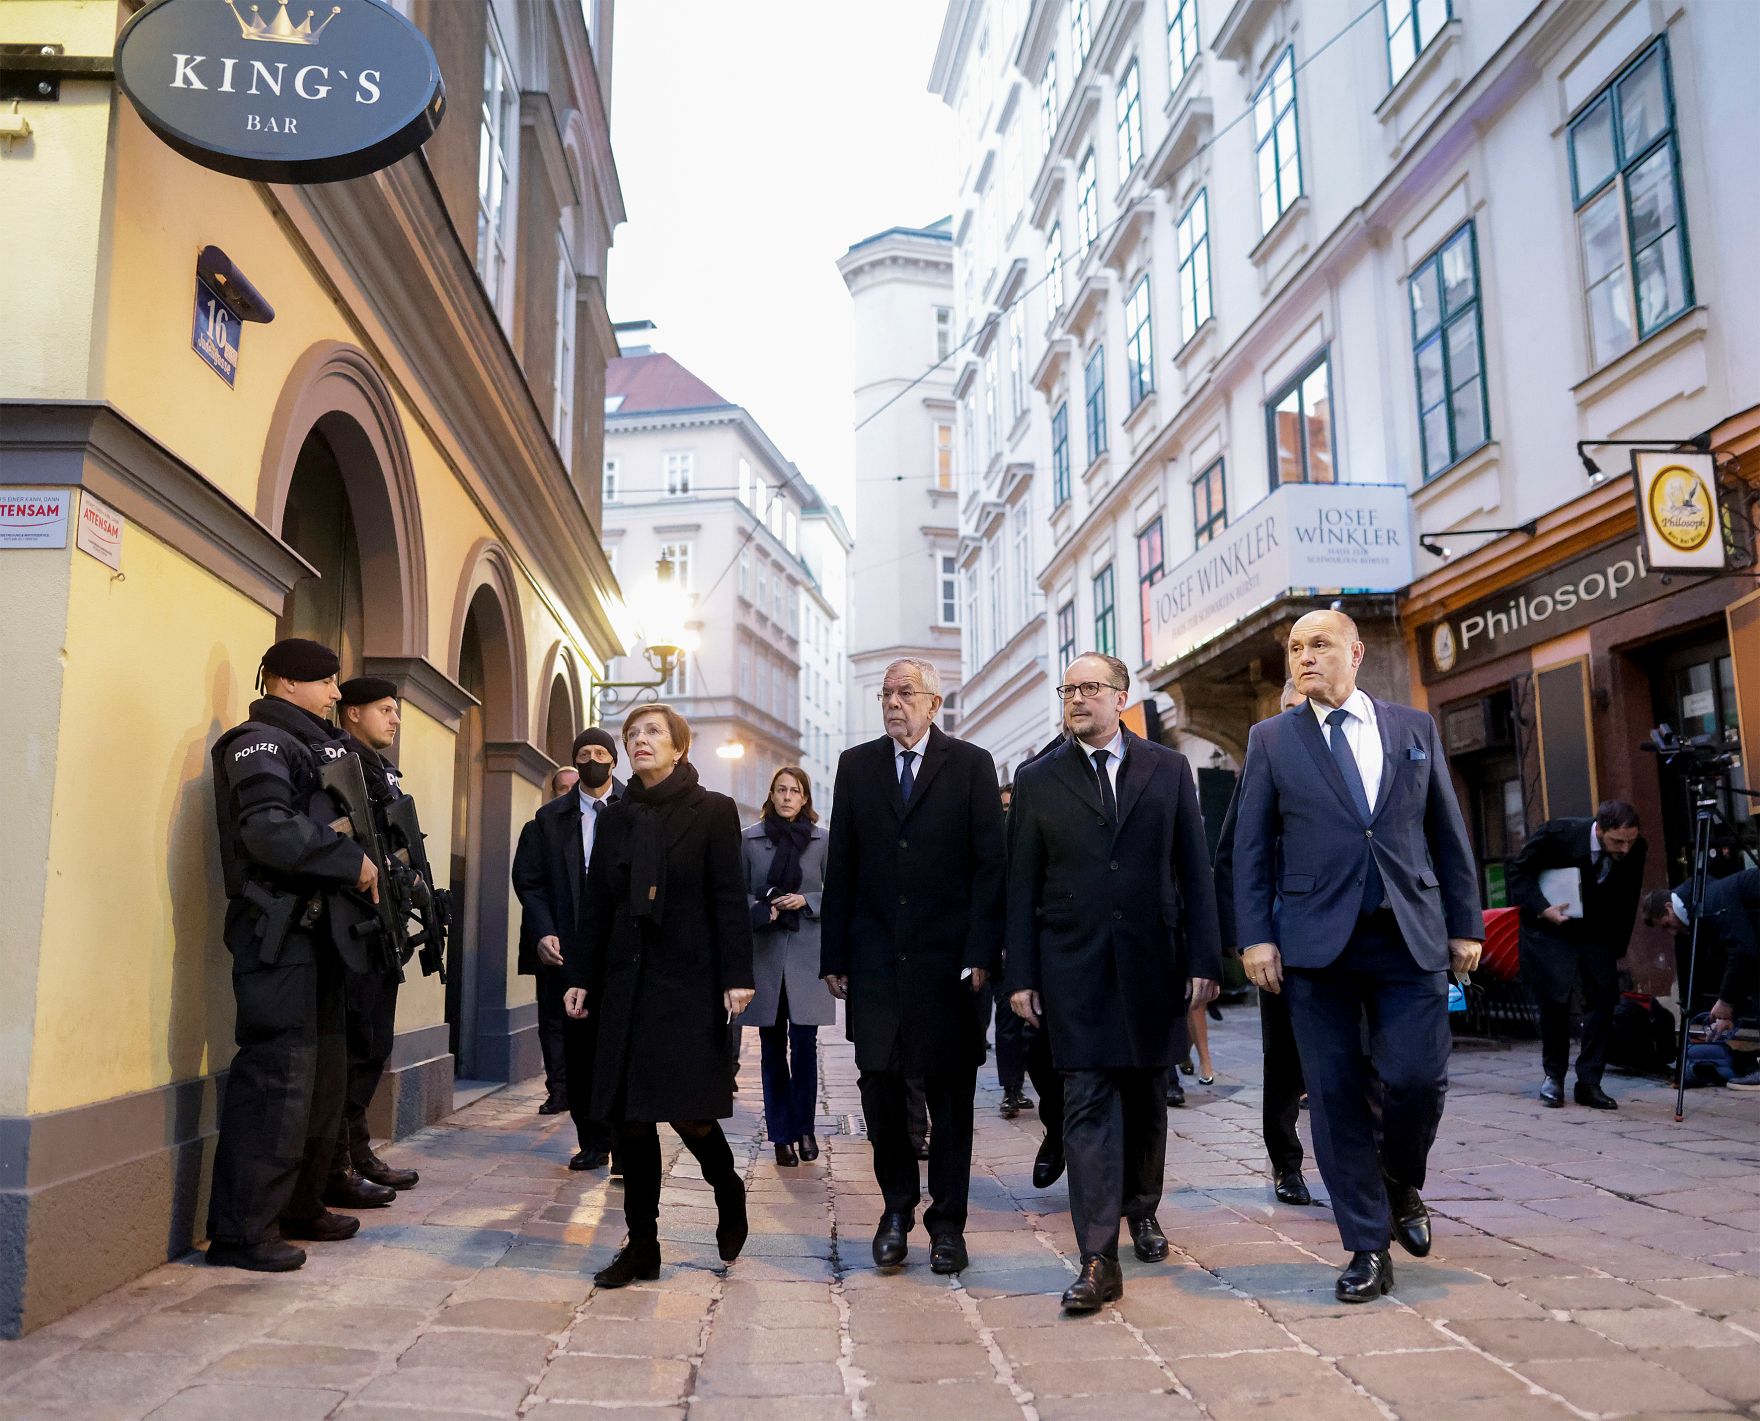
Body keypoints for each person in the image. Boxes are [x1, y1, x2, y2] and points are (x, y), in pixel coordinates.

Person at [1234, 610, 1482, 1304]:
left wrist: (1466, 922)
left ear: (1356, 652)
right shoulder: (1272, 739)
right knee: (1335, 1094)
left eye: (1319, 644)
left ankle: (1400, 1179)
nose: (1305, 656)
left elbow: (1446, 829)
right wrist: (1255, 937)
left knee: (1418, 1078)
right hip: (1316, 944)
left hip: (1409, 933)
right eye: (1295, 647)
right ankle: (1368, 1245)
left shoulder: (1412, 728)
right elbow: (1250, 848)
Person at [1007, 653, 1222, 1312]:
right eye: (1068, 689)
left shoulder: (1168, 768)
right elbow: (1021, 884)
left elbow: (1194, 867)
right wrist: (1022, 974)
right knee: (1087, 1104)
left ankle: (1143, 1207)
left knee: (1147, 1097)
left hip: (1154, 960)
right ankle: (1097, 1256)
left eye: (1090, 688)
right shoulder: (1038, 778)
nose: (1076, 698)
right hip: (1074, 966)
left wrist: (1205, 960)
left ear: (1120, 697)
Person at [822, 658, 1006, 1276]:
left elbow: (990, 866)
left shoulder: (971, 764)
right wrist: (835, 955)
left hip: (949, 965)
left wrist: (981, 951)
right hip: (876, 960)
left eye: (905, 693)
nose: (893, 703)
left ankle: (947, 1225)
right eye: (886, 694)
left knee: (951, 1097)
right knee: (879, 1087)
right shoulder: (857, 765)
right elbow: (842, 865)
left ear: (933, 703)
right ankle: (896, 1209)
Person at [205, 638, 381, 1271]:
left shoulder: (314, 747)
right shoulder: (257, 742)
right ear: (285, 682)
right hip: (277, 933)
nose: (336, 693)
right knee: (276, 1078)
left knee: (323, 1077)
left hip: (320, 933)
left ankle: (302, 1206)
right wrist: (349, 860)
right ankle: (242, 1232)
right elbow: (267, 828)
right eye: (326, 681)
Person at [565, 705, 755, 1287]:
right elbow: (598, 903)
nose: (639, 740)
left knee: (689, 1113)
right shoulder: (617, 819)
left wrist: (737, 976)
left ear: (679, 747)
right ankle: (642, 1247)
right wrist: (581, 975)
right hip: (625, 981)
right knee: (629, 1121)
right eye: (632, 734)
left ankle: (727, 1186)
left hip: (687, 981)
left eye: (652, 732)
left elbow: (729, 897)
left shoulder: (713, 811)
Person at [322, 676, 420, 1212]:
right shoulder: (340, 764)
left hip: (382, 923)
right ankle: (338, 1162)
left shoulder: (380, 770)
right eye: (385, 709)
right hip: (354, 925)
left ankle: (357, 1152)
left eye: (396, 709)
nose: (395, 718)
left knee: (374, 1043)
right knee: (356, 1044)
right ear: (353, 713)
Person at [1214, 678, 1314, 1206]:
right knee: (1284, 1059)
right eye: (1291, 709)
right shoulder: (1266, 760)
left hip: (1344, 936)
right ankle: (1286, 1164)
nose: (1300, 719)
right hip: (1280, 940)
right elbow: (1233, 853)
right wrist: (1248, 938)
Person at [512, 729, 623, 1165]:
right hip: (568, 948)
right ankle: (593, 1141)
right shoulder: (548, 819)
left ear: (614, 760)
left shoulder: (635, 810)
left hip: (620, 948)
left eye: (601, 752)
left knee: (620, 1045)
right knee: (577, 1048)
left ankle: (626, 1143)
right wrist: (543, 931)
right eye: (584, 753)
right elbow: (530, 882)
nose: (593, 760)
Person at [1507, 801, 1646, 1109]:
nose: (1625, 849)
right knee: (1555, 1000)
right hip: (1552, 928)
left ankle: (1589, 1081)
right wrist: (1543, 908)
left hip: (1597, 930)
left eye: (1631, 841)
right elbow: (1518, 872)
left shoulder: (1636, 848)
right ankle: (1553, 1077)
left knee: (1603, 1000)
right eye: (1618, 841)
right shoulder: (1558, 834)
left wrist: (1617, 948)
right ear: (1601, 829)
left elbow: (1630, 896)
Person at [736, 766, 835, 1165]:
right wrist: (761, 907)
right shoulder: (749, 840)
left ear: (805, 797)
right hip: (766, 954)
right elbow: (735, 893)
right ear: (772, 795)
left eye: (795, 790)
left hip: (808, 955)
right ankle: (780, 1135)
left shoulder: (822, 841)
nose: (787, 797)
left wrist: (807, 900)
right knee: (772, 1047)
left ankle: (804, 1128)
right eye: (781, 790)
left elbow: (840, 892)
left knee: (806, 1046)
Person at [1643, 868, 1759, 1083]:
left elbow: (1743, 952)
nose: (1672, 932)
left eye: (1667, 925)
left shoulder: (1709, 901)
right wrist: (1730, 1013)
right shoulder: (1699, 900)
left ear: (1669, 907)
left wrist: (1726, 1001)